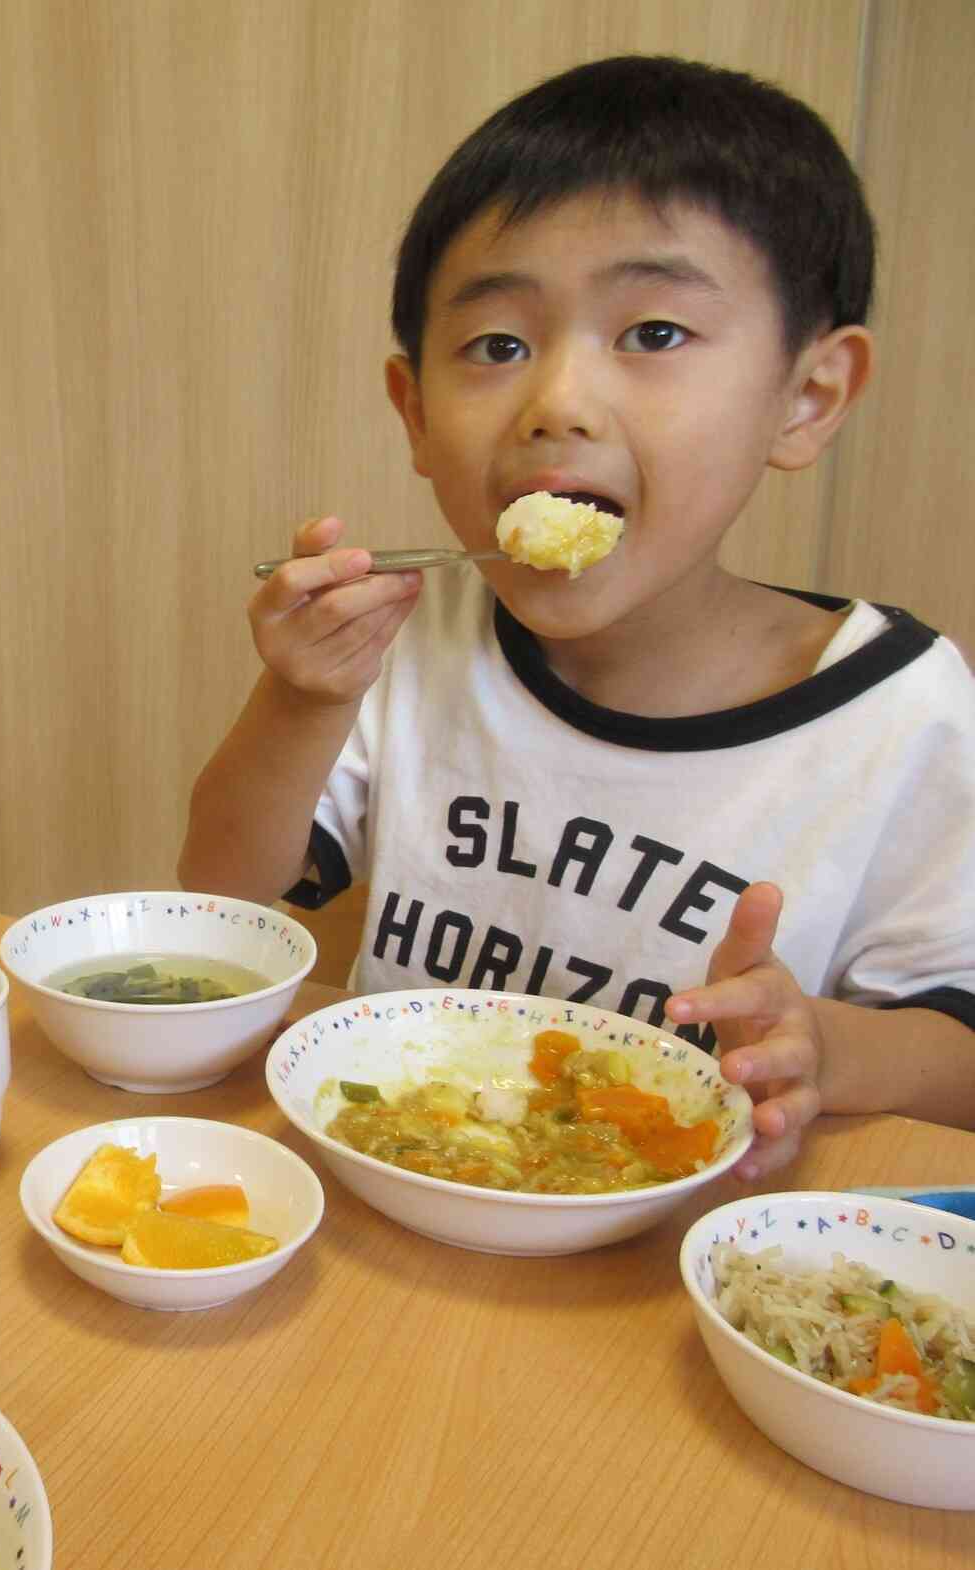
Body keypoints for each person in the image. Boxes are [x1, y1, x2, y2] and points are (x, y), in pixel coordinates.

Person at [178, 56, 975, 1179]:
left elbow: (964, 1051)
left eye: (653, 334)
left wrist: (833, 1050)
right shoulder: (421, 635)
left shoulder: (900, 713)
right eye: (497, 346)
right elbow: (220, 900)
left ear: (807, 398)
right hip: (396, 1185)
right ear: (414, 413)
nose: (555, 403)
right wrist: (301, 698)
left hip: (674, 1261)